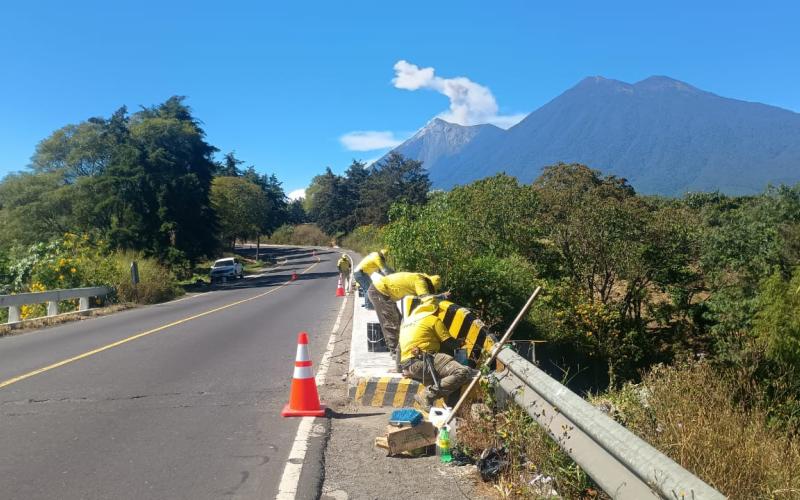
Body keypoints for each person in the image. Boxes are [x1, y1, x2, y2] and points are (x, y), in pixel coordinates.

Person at [399, 297, 472, 411]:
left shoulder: (406, 323)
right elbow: (450, 344)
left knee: (449, 370)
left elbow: (399, 349)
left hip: (409, 366)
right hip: (423, 361)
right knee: (463, 372)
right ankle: (427, 395)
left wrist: (404, 369)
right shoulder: (432, 319)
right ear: (434, 309)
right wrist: (461, 342)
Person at [368, 272, 447, 368]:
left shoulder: (419, 277)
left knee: (397, 321)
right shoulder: (420, 281)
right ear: (430, 285)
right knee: (391, 323)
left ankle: (397, 350)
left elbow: (422, 297)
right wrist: (441, 297)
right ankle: (395, 353)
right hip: (379, 291)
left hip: (382, 291)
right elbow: (426, 298)